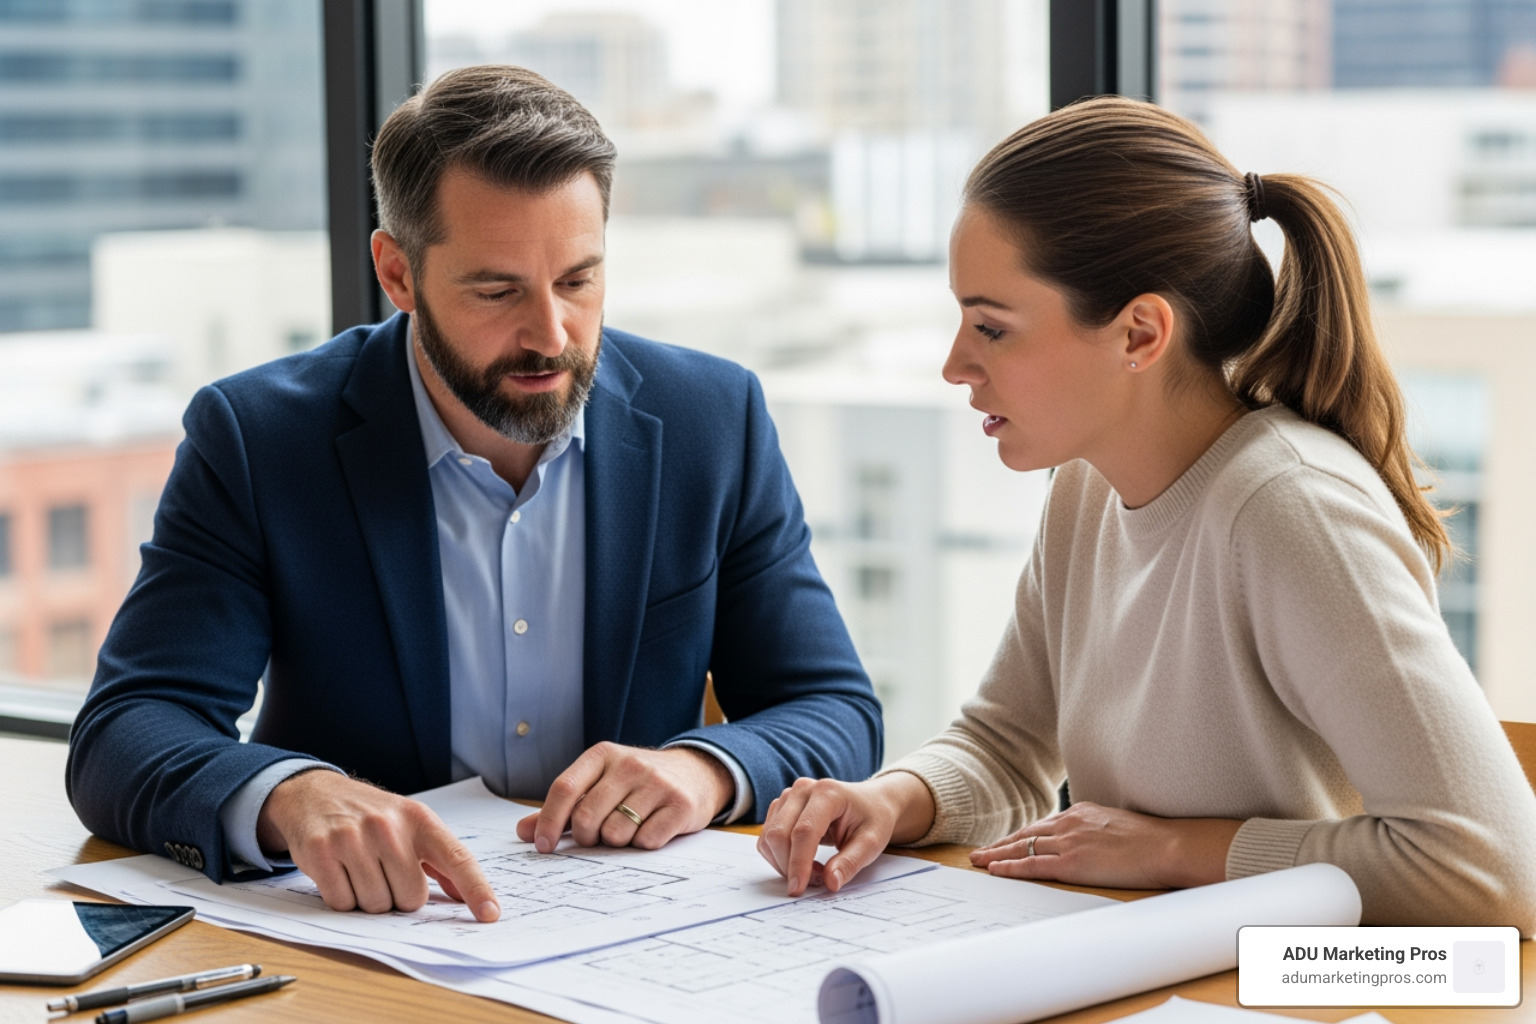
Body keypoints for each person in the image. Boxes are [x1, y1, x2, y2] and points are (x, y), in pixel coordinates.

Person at [67, 65, 882, 922]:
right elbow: (127, 729)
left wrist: (703, 769)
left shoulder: (713, 419)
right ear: (398, 272)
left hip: (636, 936)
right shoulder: (260, 437)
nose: (551, 334)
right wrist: (293, 796)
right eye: (497, 291)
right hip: (375, 938)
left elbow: (835, 709)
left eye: (578, 280)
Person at [757, 96, 1536, 931]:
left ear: (1138, 334)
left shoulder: (1292, 510)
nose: (955, 366)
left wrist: (1175, 850)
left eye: (991, 326)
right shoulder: (1086, 489)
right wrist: (889, 799)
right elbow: (1005, 743)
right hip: (1155, 963)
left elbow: (1496, 868)